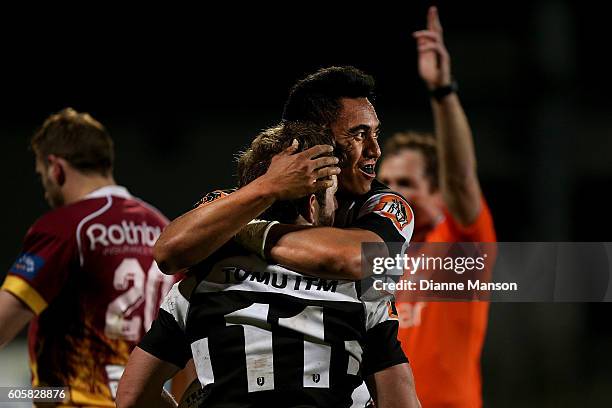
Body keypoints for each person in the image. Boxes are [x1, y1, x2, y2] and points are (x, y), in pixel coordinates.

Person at [116, 123, 420, 408]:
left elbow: (132, 395)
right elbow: (400, 402)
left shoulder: (200, 282)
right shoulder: (362, 291)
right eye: (333, 196)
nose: (338, 206)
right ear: (314, 204)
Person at [0, 108, 177, 407]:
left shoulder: (67, 225)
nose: (45, 188)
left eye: (42, 176)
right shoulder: (164, 229)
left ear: (55, 168)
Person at [378, 6, 497, 407]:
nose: (391, 193)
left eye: (406, 183)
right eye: (387, 183)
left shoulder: (461, 246)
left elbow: (462, 179)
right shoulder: (371, 257)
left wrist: (442, 94)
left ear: (439, 194)